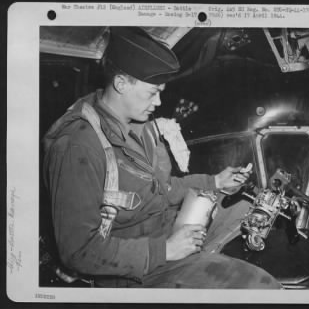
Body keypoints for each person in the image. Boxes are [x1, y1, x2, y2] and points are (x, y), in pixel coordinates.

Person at [43, 27, 281, 289]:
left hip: (165, 232)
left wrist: (214, 182)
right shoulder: (77, 146)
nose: (158, 102)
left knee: (251, 208)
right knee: (263, 288)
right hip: (131, 270)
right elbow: (78, 252)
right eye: (151, 92)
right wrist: (165, 250)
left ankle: (208, 264)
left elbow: (162, 190)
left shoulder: (138, 125)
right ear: (121, 83)